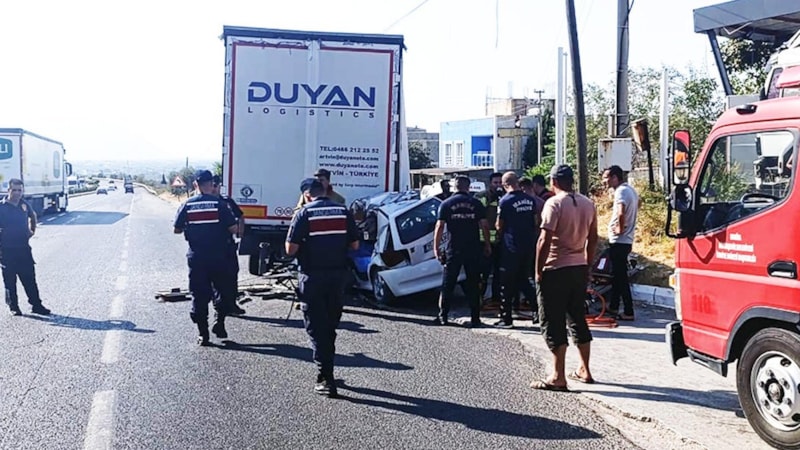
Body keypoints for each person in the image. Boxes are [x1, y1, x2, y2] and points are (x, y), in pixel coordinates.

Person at [286, 178, 359, 398]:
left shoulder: (304, 213)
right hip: (337, 277)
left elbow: (290, 249)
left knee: (316, 327)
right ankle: (328, 369)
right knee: (330, 325)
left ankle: (325, 377)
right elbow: (355, 244)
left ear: (306, 194)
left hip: (313, 277)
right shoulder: (343, 211)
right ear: (324, 190)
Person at [532, 164, 598, 391]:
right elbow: (593, 238)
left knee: (553, 320)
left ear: (554, 182)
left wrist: (538, 270)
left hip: (556, 268)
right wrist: (588, 264)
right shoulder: (588, 204)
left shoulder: (554, 203)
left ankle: (558, 375)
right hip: (578, 267)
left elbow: (544, 240)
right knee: (577, 317)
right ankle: (585, 369)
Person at [174, 170, 239, 346]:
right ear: (211, 184)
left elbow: (177, 229)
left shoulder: (187, 204)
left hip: (197, 257)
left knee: (199, 294)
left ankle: (203, 334)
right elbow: (234, 229)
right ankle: (219, 321)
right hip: (220, 256)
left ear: (196, 185)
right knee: (222, 290)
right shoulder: (220, 205)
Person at [433, 176, 491, 328]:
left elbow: (439, 226)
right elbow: (484, 225)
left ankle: (443, 316)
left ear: (455, 187)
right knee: (473, 283)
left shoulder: (446, 204)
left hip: (454, 248)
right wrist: (487, 244)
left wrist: (436, 248)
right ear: (468, 187)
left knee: (448, 283)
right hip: (473, 248)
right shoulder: (476, 203)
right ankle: (475, 318)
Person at [0, 179, 51, 316]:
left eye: (19, 190)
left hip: (23, 249)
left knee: (30, 279)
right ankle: (14, 307)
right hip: (7, 250)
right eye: (14, 190)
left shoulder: (24, 204)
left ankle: (36, 305)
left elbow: (33, 216)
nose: (17, 193)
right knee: (10, 281)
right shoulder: (1, 207)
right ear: (8, 190)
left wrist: (32, 230)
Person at [494, 172, 539, 328]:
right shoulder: (530, 200)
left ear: (505, 185)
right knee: (524, 280)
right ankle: (538, 311)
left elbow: (499, 225)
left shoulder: (505, 201)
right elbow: (536, 222)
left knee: (506, 283)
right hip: (528, 246)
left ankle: (506, 318)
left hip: (511, 247)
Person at [602, 165, 640, 321]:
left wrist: (619, 228)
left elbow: (620, 211)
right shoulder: (630, 190)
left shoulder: (621, 192)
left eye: (606, 177)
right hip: (626, 240)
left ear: (615, 177)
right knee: (617, 275)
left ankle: (629, 311)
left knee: (621, 277)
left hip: (620, 240)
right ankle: (614, 306)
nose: (604, 181)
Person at [211, 175, 246, 316]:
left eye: (216, 185)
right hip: (212, 246)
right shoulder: (207, 203)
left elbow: (240, 216)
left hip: (228, 245)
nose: (214, 188)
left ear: (220, 186)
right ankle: (219, 306)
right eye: (212, 185)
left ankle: (231, 304)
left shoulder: (227, 201)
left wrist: (240, 233)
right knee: (216, 277)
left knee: (232, 274)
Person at [474, 172, 504, 305]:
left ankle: (496, 299)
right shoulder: (483, 197)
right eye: (495, 183)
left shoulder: (504, 197)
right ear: (490, 183)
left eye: (500, 183)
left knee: (499, 272)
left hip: (500, 241)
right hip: (483, 241)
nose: (498, 185)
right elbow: (479, 216)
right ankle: (478, 299)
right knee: (483, 273)